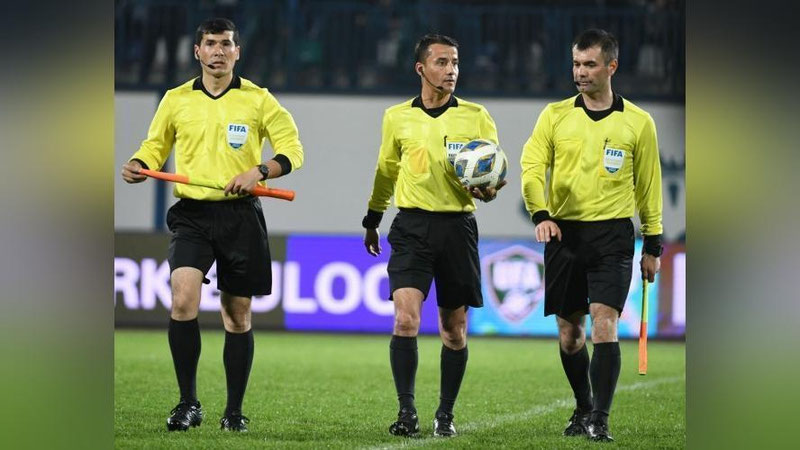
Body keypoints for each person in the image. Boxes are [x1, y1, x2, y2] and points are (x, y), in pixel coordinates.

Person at [120, 18, 304, 433]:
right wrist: (139, 163)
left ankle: (234, 411)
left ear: (237, 52)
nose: (218, 51)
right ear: (197, 52)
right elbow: (154, 146)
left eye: (225, 44)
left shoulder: (259, 100)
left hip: (240, 216)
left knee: (237, 316)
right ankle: (188, 403)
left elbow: (293, 150)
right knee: (182, 299)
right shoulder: (176, 99)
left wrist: (259, 171)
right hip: (192, 215)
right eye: (210, 44)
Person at [520, 29, 663, 442]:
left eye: (590, 64)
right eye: (576, 64)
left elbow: (648, 186)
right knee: (570, 336)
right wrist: (540, 213)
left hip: (612, 236)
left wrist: (653, 244)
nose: (580, 72)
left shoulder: (639, 122)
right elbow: (532, 167)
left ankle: (600, 418)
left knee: (605, 324)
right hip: (564, 234)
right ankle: (583, 406)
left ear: (611, 66)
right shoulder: (554, 116)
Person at [362, 34, 506, 438]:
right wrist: (373, 217)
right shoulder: (397, 117)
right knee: (405, 319)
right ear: (421, 68)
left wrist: (489, 191)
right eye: (442, 62)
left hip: (457, 228)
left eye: (455, 62)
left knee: (453, 330)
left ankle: (445, 413)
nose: (451, 70)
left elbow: (493, 175)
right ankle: (406, 412)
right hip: (411, 226)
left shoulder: (477, 116)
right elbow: (386, 171)